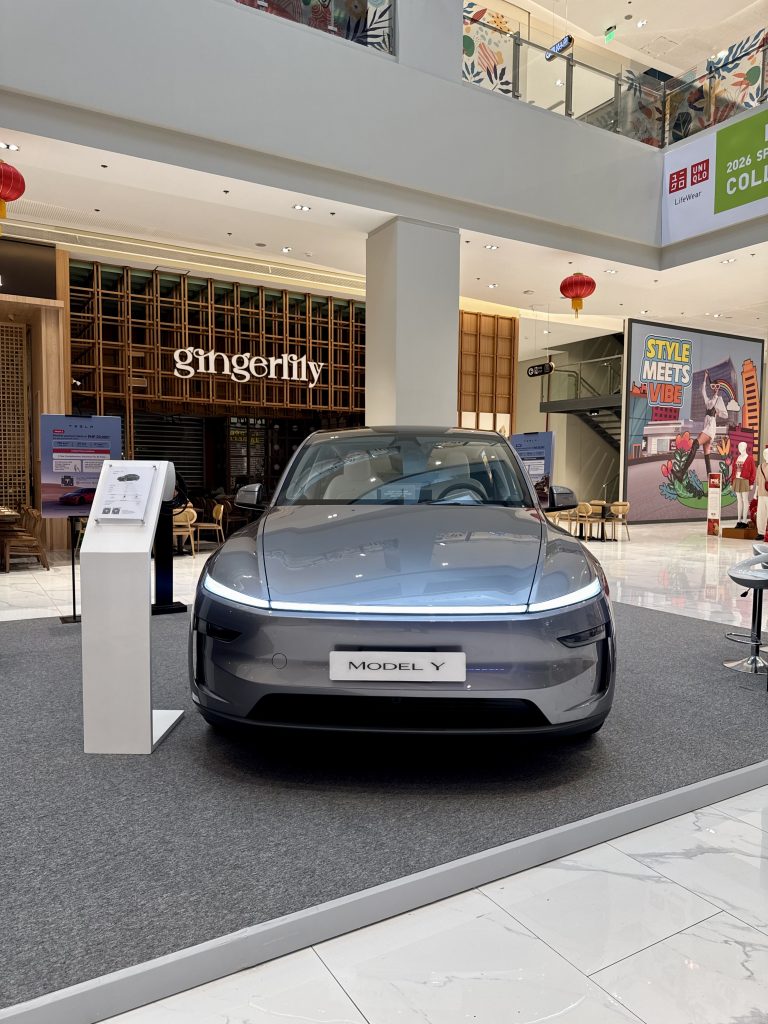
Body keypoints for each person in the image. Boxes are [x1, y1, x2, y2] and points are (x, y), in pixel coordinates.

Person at [675, 371, 727, 482]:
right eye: (713, 386)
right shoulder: (708, 401)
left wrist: (718, 412)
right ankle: (712, 482)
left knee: (695, 444)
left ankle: (681, 473)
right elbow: (703, 391)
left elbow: (725, 414)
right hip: (706, 428)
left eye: (717, 387)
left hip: (710, 429)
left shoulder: (718, 399)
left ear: (719, 388)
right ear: (712, 388)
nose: (715, 388)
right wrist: (705, 378)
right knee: (707, 457)